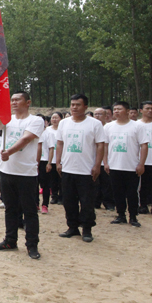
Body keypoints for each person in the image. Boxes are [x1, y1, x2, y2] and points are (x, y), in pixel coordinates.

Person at [0, 91, 45, 260]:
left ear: (28, 102)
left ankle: (32, 245)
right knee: (10, 208)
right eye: (12, 100)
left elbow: (26, 139)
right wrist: (2, 111)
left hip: (25, 173)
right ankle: (10, 240)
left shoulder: (35, 120)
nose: (14, 102)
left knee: (29, 210)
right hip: (6, 171)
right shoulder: (8, 119)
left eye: (17, 100)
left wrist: (9, 152)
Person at [55, 94, 107, 243]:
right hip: (68, 169)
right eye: (72, 104)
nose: (74, 107)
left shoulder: (95, 124)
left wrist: (97, 165)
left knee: (87, 201)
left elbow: (100, 145)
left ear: (85, 106)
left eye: (78, 105)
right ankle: (72, 227)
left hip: (87, 170)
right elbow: (60, 143)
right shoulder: (64, 123)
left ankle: (87, 228)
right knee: (69, 201)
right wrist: (58, 162)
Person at [103, 101, 148, 227]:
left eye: (119, 109)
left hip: (131, 166)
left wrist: (141, 164)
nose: (116, 111)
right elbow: (105, 146)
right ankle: (120, 215)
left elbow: (144, 145)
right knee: (117, 192)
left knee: (132, 193)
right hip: (114, 166)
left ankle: (133, 216)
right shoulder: (108, 127)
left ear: (127, 111)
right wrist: (105, 162)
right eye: (115, 109)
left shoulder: (137, 126)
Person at [37, 115, 54, 214]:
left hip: (44, 161)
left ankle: (45, 205)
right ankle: (36, 203)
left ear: (45, 122)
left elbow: (51, 148)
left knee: (45, 185)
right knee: (34, 184)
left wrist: (49, 163)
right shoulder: (31, 133)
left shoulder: (48, 133)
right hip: (33, 161)